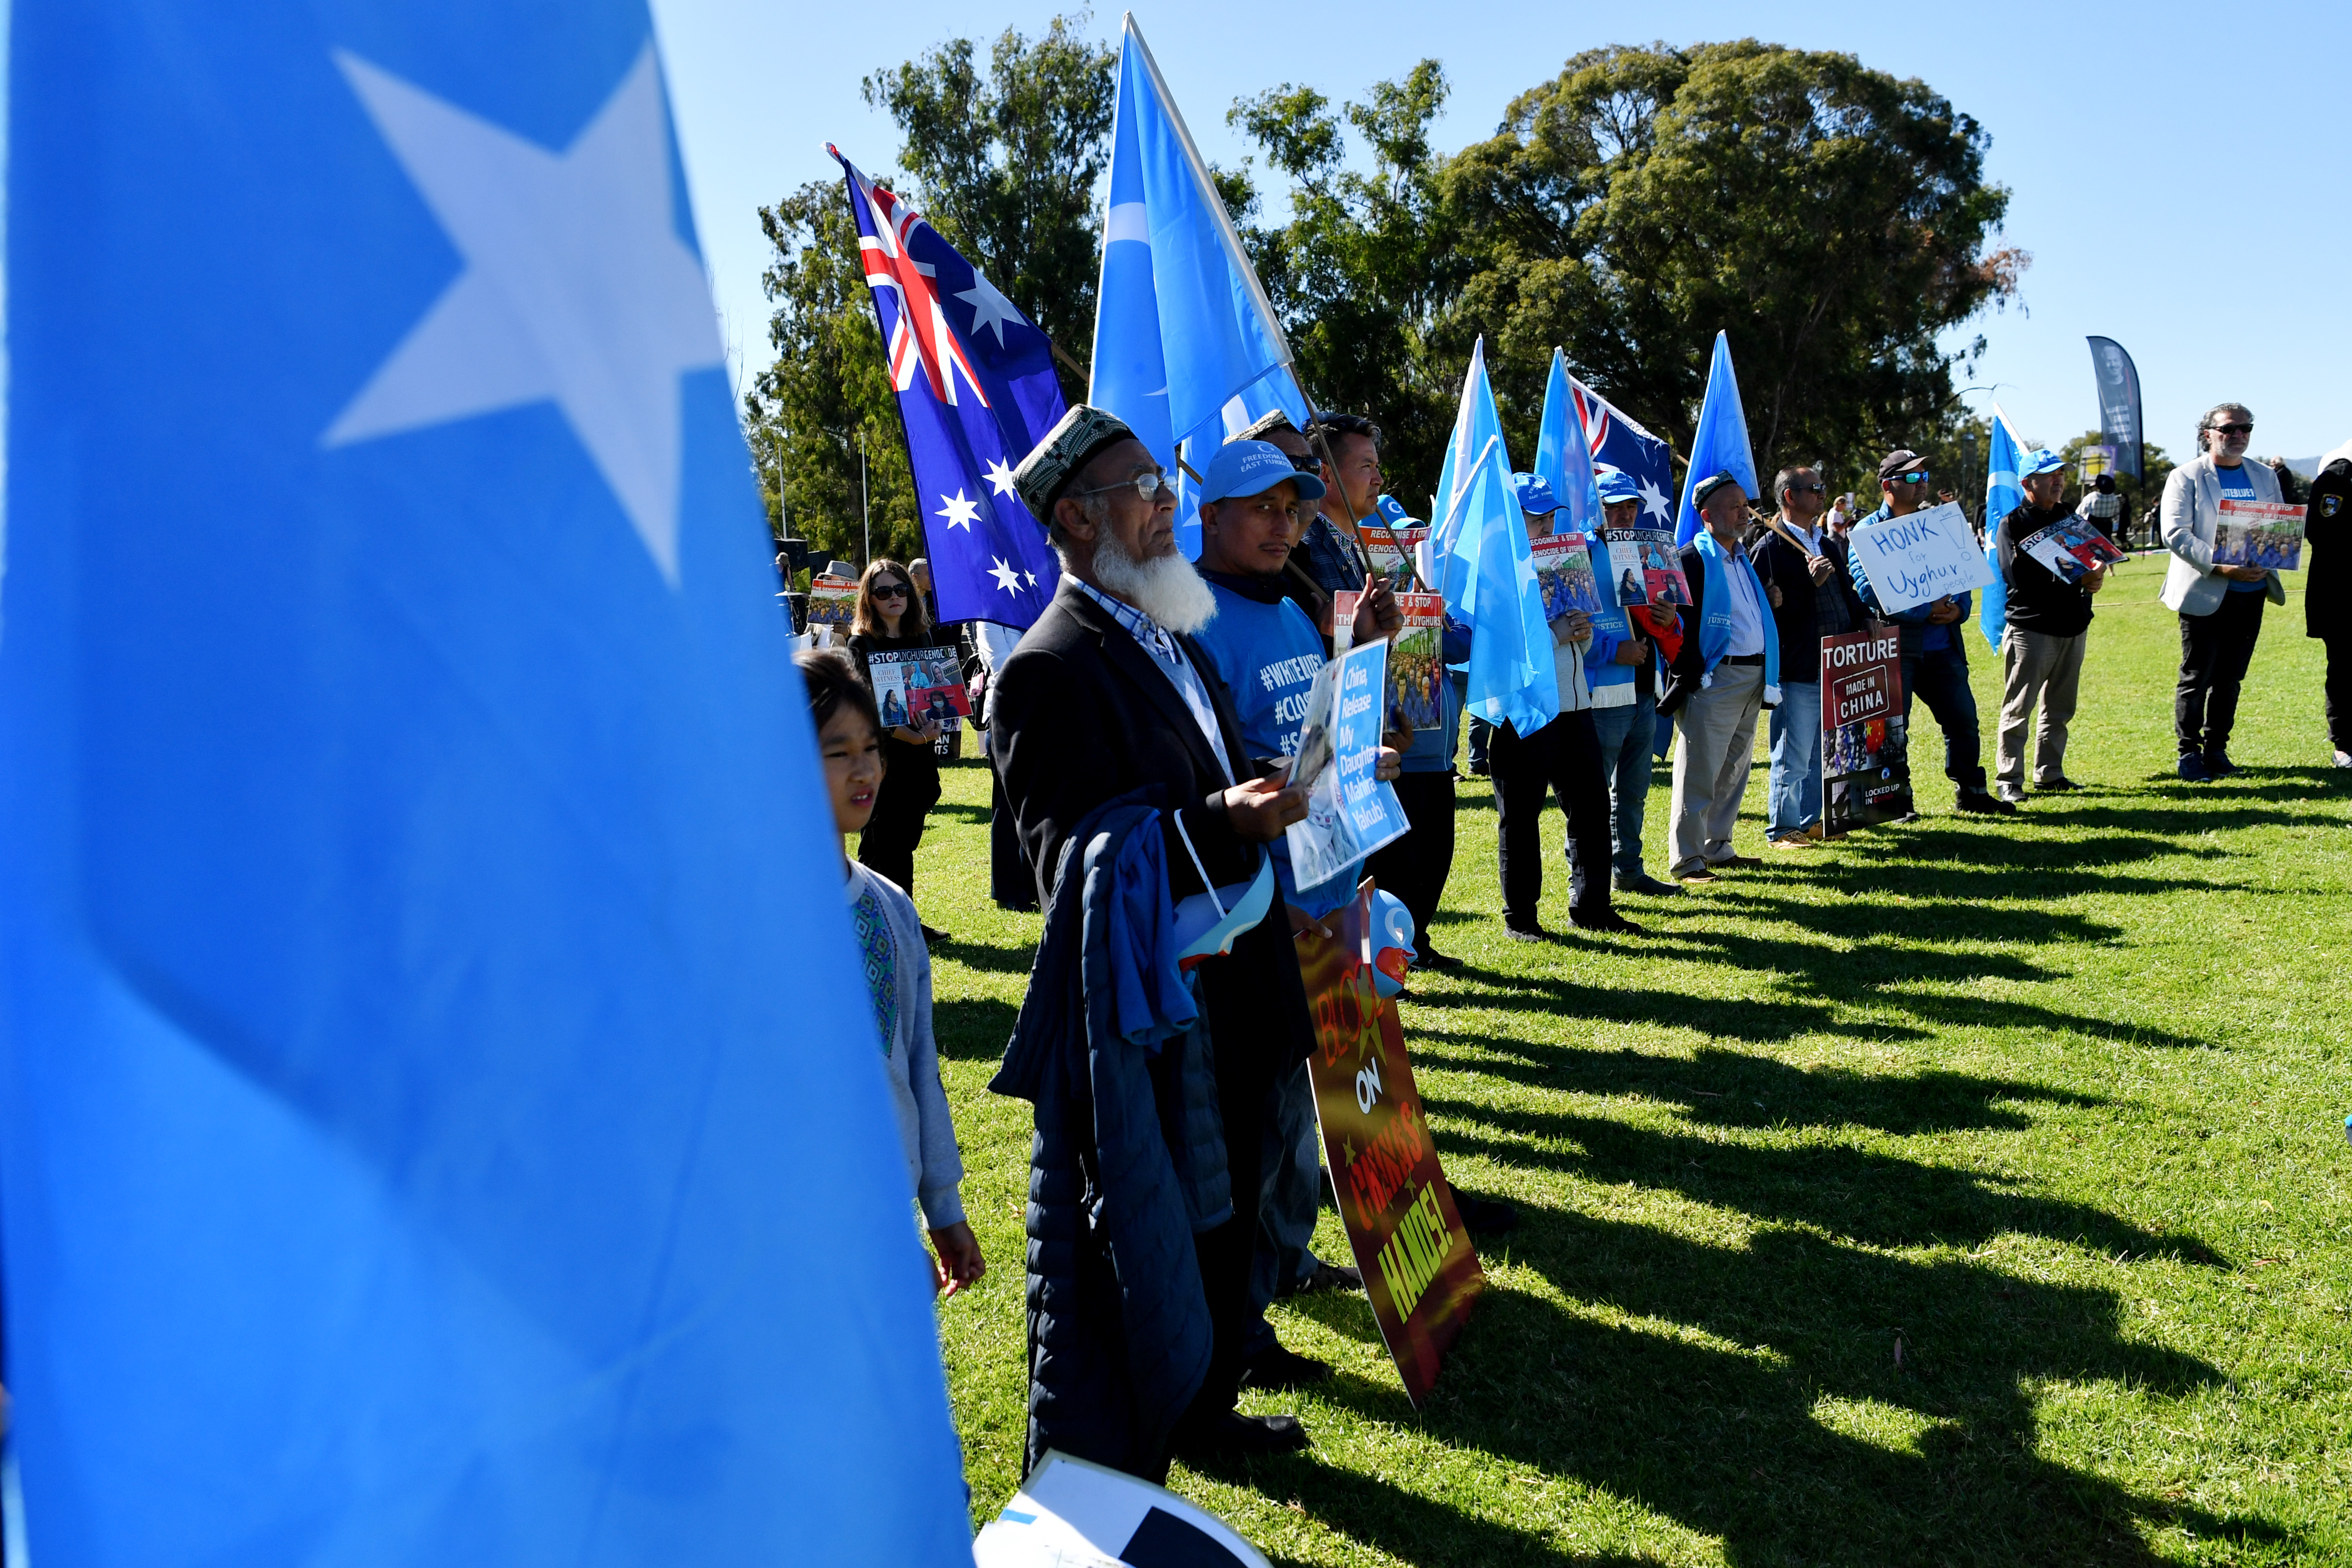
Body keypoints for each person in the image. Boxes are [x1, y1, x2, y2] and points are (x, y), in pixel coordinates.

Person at [991, 404, 1319, 1468]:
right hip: (1172, 1020)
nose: (1166, 509)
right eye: (1146, 492)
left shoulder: (1171, 626)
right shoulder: (1045, 669)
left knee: (1231, 1233)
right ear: (1079, 523)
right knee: (1182, 1235)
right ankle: (1168, 1431)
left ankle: (1211, 1406)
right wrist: (1216, 823)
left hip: (1249, 982)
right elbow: (1071, 868)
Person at [1191, 437, 1404, 1386]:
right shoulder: (1193, 623)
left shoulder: (1287, 609)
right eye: (1261, 507)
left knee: (1298, 1107)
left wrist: (1359, 764)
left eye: (1294, 508)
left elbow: (1311, 742)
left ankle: (1281, 1260)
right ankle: (1239, 1320)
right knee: (1253, 1124)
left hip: (1321, 890)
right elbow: (1217, 781)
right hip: (1253, 912)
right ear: (1207, 515)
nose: (1283, 525)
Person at [800, 646, 984, 1299]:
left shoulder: (889, 909)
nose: (865, 769)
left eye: (871, 747)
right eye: (837, 751)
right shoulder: (749, 919)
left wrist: (941, 1206)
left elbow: (916, 1063)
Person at [1490, 471, 1643, 939]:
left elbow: (1582, 635)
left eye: (1550, 517)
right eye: (1536, 519)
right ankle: (1521, 918)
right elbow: (1497, 645)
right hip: (1525, 710)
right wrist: (1557, 635)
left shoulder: (1563, 558)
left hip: (1576, 706)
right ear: (1512, 521)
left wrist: (1582, 630)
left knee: (1592, 807)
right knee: (1520, 815)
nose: (1546, 528)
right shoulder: (1498, 571)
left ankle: (1592, 906)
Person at [1848, 448, 2013, 816]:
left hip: (1943, 646)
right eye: (1910, 477)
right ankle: (1895, 800)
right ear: (1887, 485)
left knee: (1963, 721)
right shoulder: (1866, 531)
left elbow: (1963, 572)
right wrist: (1924, 611)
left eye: (1923, 476)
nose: (1921, 483)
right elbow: (1867, 587)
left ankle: (1971, 791)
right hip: (1895, 646)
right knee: (1890, 727)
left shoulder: (1939, 523)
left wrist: (1959, 609)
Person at [1662, 472, 1778, 881]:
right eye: (1734, 506)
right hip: (1715, 680)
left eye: (1745, 505)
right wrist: (1694, 672)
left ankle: (1718, 846)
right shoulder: (1691, 559)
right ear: (1707, 515)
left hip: (1752, 676)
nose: (1744, 512)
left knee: (1733, 768)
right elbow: (1677, 625)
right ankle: (1688, 859)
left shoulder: (1743, 558)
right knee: (1699, 771)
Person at [2161, 403, 2286, 780]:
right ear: (2207, 434)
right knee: (2196, 676)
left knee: (2230, 678)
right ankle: (2188, 754)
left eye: (2245, 429)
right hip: (2206, 590)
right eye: (2229, 429)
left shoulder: (2265, 475)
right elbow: (2175, 533)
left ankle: (2217, 750)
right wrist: (2219, 565)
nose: (2238, 436)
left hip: (2251, 591)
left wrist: (2271, 555)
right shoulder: (2185, 476)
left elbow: (2279, 524)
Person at [1572, 465, 1681, 896]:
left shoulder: (1644, 552)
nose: (1625, 515)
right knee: (1592, 798)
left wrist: (1669, 621)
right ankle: (1588, 883)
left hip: (1643, 691)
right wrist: (1612, 652)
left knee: (1633, 793)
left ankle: (1628, 872)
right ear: (1597, 509)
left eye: (1632, 507)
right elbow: (1565, 618)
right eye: (1614, 507)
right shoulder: (1579, 552)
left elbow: (1664, 625)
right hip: (1602, 694)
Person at [1749, 463, 1868, 847]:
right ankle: (1782, 828)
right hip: (1798, 668)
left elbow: (1846, 591)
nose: (1822, 493)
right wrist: (1807, 583)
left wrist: (1865, 619)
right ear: (1789, 496)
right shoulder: (1769, 547)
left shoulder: (1827, 543)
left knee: (1823, 751)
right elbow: (1764, 614)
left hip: (1836, 665)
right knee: (1793, 752)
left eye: (1822, 487)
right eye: (1814, 488)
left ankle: (1811, 820)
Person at [846, 558, 954, 939]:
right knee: (881, 846)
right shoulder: (862, 644)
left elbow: (937, 696)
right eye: (884, 591)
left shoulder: (922, 639)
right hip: (886, 758)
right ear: (870, 600)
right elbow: (864, 706)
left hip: (920, 755)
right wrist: (900, 735)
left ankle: (904, 922)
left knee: (904, 842)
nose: (894, 597)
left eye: (901, 589)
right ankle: (873, 924)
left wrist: (936, 722)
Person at [1993, 449, 2108, 802]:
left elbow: (2094, 558)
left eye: (2061, 474)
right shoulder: (2012, 524)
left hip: (2073, 624)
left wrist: (2096, 575)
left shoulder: (2069, 517)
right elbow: (2016, 577)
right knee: (2019, 707)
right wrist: (2074, 575)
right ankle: (2009, 779)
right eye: (2049, 476)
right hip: (2032, 628)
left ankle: (2050, 773)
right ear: (2028, 483)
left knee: (2060, 708)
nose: (2058, 481)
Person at [2306, 439, 2352, 767]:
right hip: (2342, 593)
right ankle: (2344, 746)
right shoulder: (2338, 476)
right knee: (2346, 670)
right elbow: (2321, 531)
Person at [2076, 472, 2127, 545]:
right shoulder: (2114, 499)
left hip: (2093, 525)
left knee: (2092, 544)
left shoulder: (2091, 497)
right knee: (2106, 545)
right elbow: (2116, 517)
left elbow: (2079, 513)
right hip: (2107, 526)